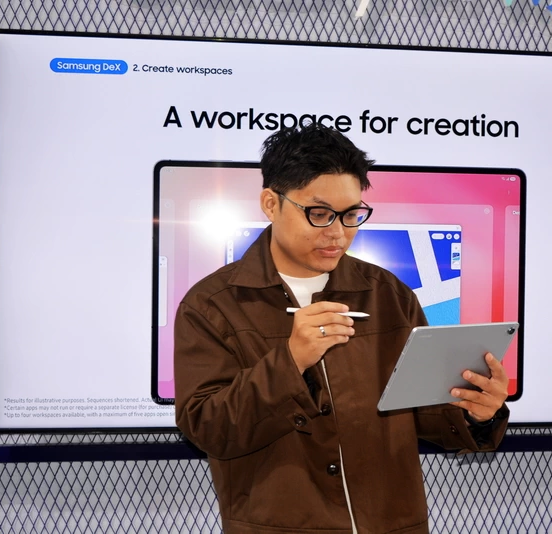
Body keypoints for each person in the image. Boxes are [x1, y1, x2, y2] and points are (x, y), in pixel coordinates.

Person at [174, 123, 510, 534]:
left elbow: (426, 416)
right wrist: (290, 361)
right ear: (271, 203)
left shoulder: (388, 294)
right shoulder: (213, 305)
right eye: (318, 214)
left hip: (392, 524)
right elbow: (208, 429)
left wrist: (477, 413)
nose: (337, 232)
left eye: (351, 215)